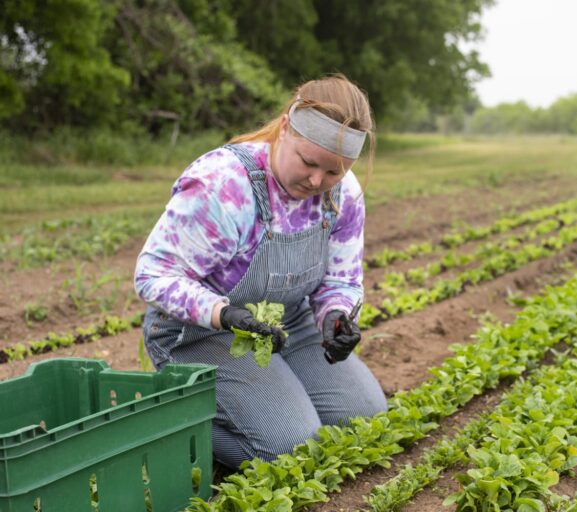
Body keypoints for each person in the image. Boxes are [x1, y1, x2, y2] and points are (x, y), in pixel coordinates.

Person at [134, 75, 387, 469]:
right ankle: (173, 421)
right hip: (201, 331)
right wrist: (223, 313)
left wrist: (336, 315)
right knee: (291, 449)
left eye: (333, 172)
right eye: (307, 162)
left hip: (288, 323)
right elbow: (153, 274)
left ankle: (274, 398)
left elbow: (341, 279)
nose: (317, 181)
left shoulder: (344, 194)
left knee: (362, 418)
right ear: (285, 127)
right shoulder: (224, 184)